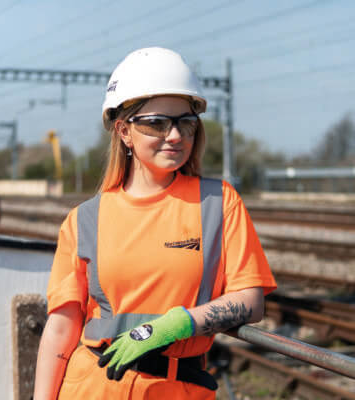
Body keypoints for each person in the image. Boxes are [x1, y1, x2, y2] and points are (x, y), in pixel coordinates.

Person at [34, 47, 277, 400]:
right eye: (157, 123)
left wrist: (178, 323)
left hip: (180, 388)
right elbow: (61, 327)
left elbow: (251, 300)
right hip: (93, 386)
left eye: (185, 122)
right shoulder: (84, 220)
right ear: (124, 131)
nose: (175, 135)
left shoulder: (218, 203)